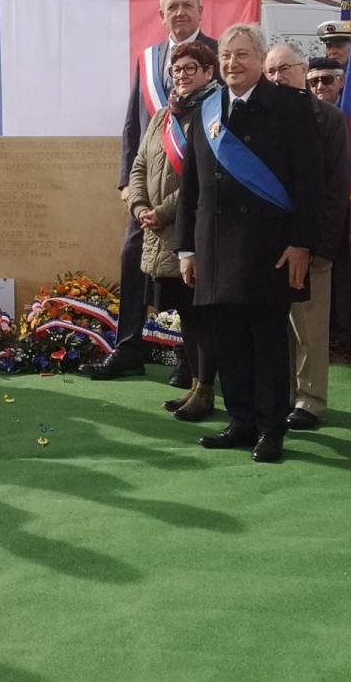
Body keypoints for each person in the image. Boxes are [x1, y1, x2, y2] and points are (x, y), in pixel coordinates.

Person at [175, 23, 324, 461]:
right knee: (229, 340)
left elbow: (311, 183)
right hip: (216, 247)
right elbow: (192, 188)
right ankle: (240, 420)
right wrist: (187, 247)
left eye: (242, 55)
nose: (232, 64)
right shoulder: (208, 109)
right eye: (225, 56)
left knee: (267, 341)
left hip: (269, 249)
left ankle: (271, 428)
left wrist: (302, 242)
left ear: (260, 61)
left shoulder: (292, 108)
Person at [89, 0, 218, 384]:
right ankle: (128, 347)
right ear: (161, 15)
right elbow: (133, 124)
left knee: (188, 275)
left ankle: (189, 359)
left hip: (195, 193)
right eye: (171, 7)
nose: (179, 13)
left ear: (200, 11)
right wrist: (127, 184)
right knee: (133, 262)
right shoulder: (148, 59)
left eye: (187, 5)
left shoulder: (220, 55)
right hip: (147, 193)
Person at [126, 40, 220, 418]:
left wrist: (163, 211)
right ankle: (195, 385)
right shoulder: (163, 116)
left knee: (201, 317)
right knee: (185, 315)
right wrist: (140, 206)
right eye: (177, 70)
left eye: (190, 69)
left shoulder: (213, 111)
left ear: (209, 72)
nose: (182, 75)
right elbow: (138, 165)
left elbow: (203, 179)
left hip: (194, 233)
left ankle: (207, 389)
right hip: (158, 234)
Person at [267, 48, 351, 430]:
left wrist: (319, 247)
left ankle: (310, 399)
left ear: (303, 71)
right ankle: (282, 393)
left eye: (284, 68)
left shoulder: (330, 120)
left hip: (311, 244)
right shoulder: (260, 116)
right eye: (270, 70)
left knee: (309, 328)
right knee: (276, 326)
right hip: (268, 243)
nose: (277, 77)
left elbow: (337, 187)